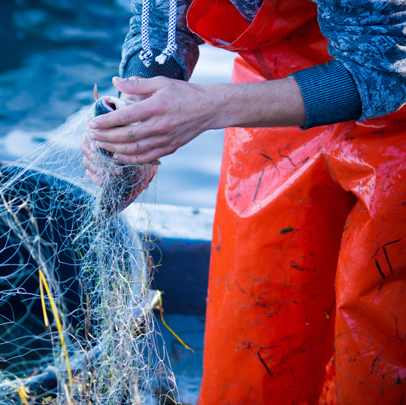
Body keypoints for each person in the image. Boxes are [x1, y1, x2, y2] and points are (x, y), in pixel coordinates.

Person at [82, 0, 406, 403]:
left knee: (377, 350)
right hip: (272, 95)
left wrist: (209, 109)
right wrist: (138, 120)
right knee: (254, 340)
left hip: (397, 123)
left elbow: (386, 69)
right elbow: (162, 18)